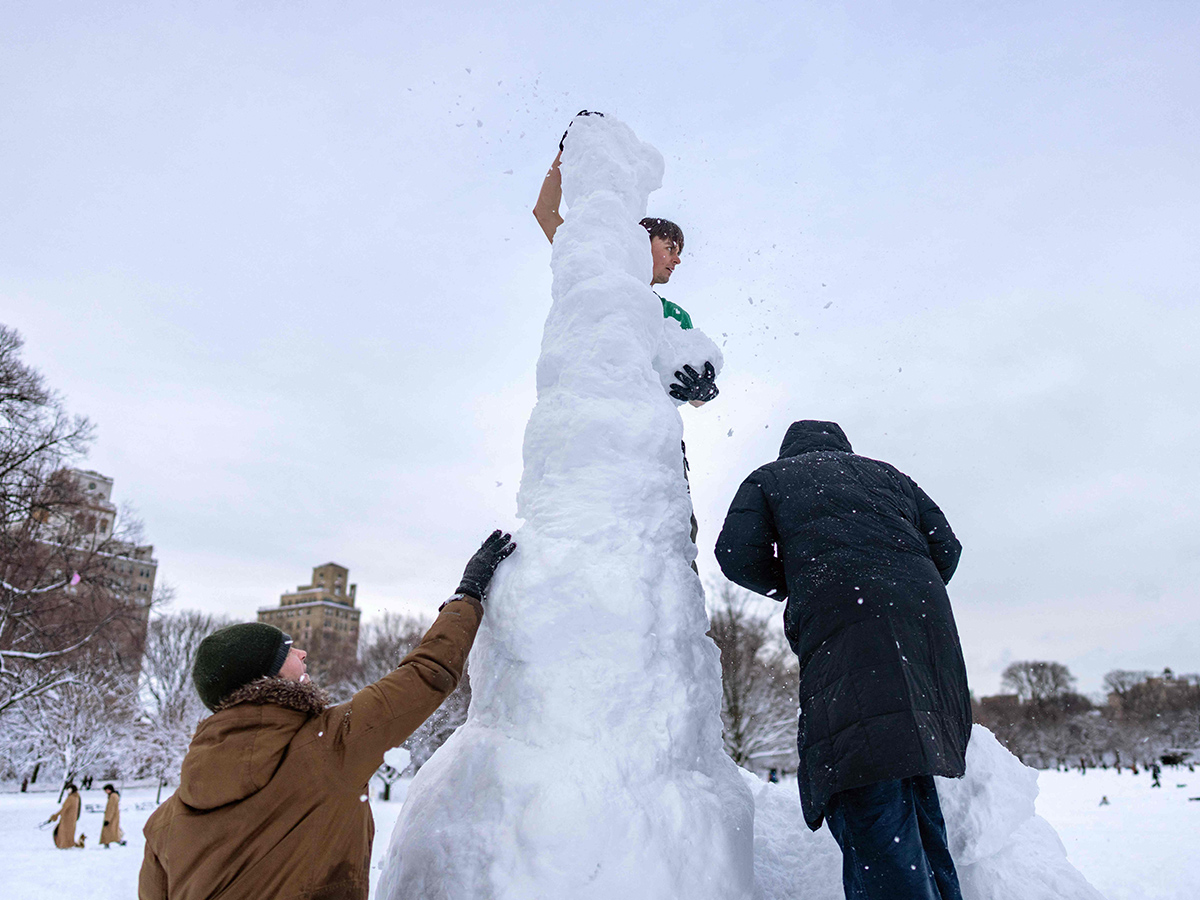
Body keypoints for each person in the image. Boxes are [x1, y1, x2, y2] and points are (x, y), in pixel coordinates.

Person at [138, 529, 516, 900]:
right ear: (263, 676)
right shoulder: (330, 746)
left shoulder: (163, 823)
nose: (302, 653)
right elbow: (425, 675)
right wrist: (468, 594)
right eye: (287, 650)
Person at [715, 420, 970, 900]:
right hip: (924, 626)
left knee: (860, 764)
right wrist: (903, 588)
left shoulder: (771, 478)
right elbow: (947, 548)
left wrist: (805, 581)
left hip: (844, 617)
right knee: (908, 772)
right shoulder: (890, 476)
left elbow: (735, 554)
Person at [532, 113, 718, 408]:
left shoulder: (672, 315)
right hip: (585, 412)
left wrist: (702, 389)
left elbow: (693, 398)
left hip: (644, 433)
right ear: (641, 240)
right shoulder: (595, 264)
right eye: (670, 248)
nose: (677, 260)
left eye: (678, 252)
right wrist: (567, 151)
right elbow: (545, 213)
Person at [48, 783, 84, 848]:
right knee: (69, 833)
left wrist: (55, 816)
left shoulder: (71, 798)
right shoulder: (76, 797)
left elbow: (64, 809)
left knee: (62, 833)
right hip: (72, 819)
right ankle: (69, 844)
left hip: (66, 819)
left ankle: (64, 845)